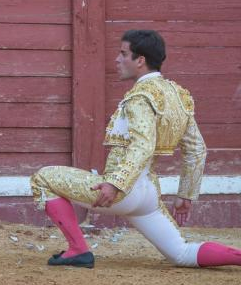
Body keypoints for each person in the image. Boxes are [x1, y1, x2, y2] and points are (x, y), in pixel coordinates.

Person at [31, 30, 241, 269]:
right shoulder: (179, 96)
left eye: (123, 54)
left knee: (43, 178)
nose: (117, 60)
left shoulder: (139, 97)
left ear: (140, 60)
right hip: (148, 195)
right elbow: (197, 150)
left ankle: (78, 250)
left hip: (123, 191)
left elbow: (142, 145)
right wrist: (185, 194)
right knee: (182, 253)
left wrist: (115, 183)